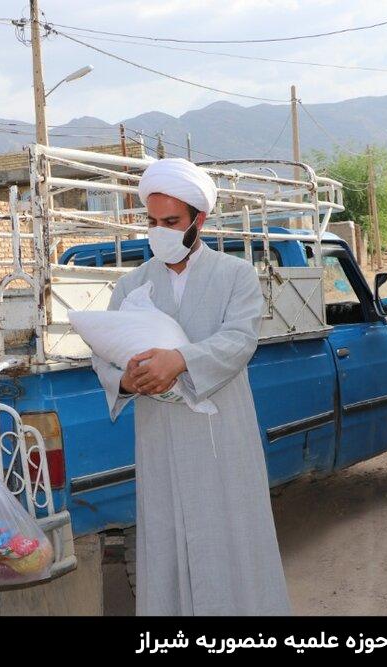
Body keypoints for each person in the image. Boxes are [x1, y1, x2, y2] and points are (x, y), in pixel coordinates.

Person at [90, 159, 291, 616]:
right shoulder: (131, 285)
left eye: (171, 222)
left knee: (234, 543)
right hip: (160, 440)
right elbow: (102, 354)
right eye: (152, 222)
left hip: (222, 440)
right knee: (168, 546)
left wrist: (179, 361)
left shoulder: (235, 275)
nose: (159, 231)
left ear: (199, 220)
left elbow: (239, 340)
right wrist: (124, 378)